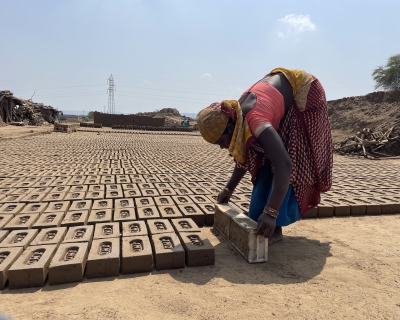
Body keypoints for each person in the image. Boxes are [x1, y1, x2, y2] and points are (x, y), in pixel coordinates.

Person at [196, 68, 333, 244]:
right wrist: (229, 188)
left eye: (222, 141)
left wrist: (271, 212)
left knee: (290, 154)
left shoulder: (256, 119)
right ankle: (261, 215)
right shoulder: (236, 116)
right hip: (280, 95)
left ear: (229, 128)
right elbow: (245, 155)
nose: (223, 147)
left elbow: (285, 165)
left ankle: (275, 225)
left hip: (304, 93)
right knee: (263, 153)